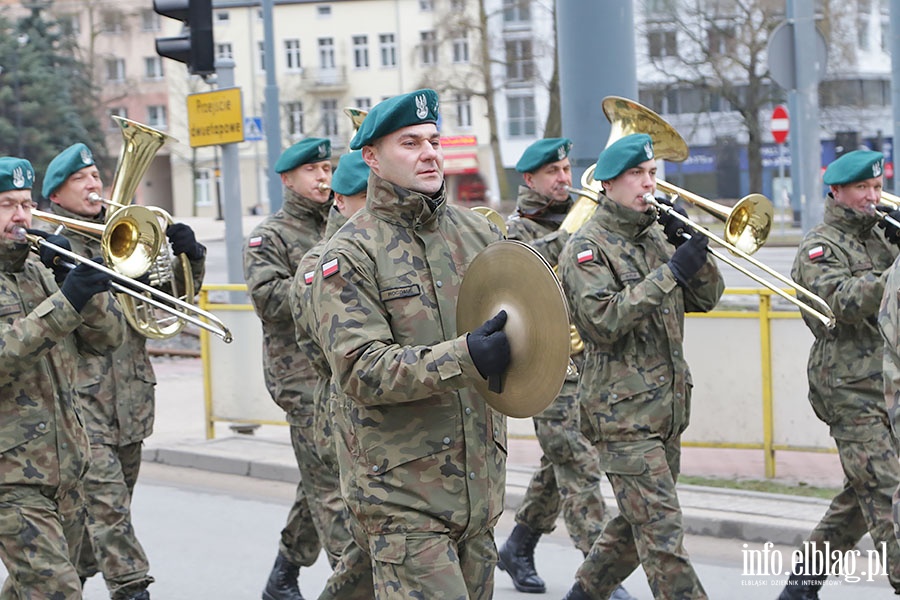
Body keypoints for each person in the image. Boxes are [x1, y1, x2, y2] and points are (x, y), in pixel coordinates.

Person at [309, 88, 510, 599]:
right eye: (410, 142)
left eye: (434, 140)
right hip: (402, 495)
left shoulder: (477, 235)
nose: (429, 152)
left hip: (479, 490)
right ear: (372, 158)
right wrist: (467, 356)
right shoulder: (349, 253)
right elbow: (359, 368)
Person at [557, 133, 724, 599]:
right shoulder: (587, 247)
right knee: (663, 537)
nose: (648, 184)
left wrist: (696, 253)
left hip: (665, 411)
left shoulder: (655, 234)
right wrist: (670, 272)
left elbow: (708, 300)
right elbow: (603, 321)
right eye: (636, 175)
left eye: (652, 174)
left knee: (635, 529)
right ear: (608, 184)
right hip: (621, 415)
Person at [40, 142, 207, 600]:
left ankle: (35, 590)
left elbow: (167, 301)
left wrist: (189, 258)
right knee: (110, 517)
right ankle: (133, 590)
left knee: (90, 534)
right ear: (56, 196)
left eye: (96, 175)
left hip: (131, 401)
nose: (94, 185)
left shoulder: (131, 235)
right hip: (80, 407)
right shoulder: (51, 253)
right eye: (81, 179)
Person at [499, 137, 634, 600]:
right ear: (529, 181)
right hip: (546, 368)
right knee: (578, 465)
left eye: (565, 169)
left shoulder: (586, 219)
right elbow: (530, 269)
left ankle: (518, 546)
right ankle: (599, 577)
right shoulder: (514, 231)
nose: (564, 179)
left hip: (591, 364)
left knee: (559, 462)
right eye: (552, 172)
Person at [0, 156, 125, 599]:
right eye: (7, 205)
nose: (20, 217)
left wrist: (79, 288)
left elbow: (107, 340)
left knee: (27, 591)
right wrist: (64, 302)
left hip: (68, 468)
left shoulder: (38, 269)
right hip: (12, 476)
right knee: (58, 592)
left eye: (26, 204)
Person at [780, 149, 900, 599]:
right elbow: (841, 302)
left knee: (861, 494)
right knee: (888, 495)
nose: (873, 196)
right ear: (837, 192)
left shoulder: (886, 235)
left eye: (876, 186)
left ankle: (800, 586)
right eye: (862, 189)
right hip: (849, 388)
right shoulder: (820, 246)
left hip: (890, 383)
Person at [242, 137, 334, 600]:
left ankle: (284, 573)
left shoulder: (340, 224)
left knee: (320, 478)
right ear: (287, 179)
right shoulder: (270, 236)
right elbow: (268, 299)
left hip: (341, 371)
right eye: (313, 170)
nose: (324, 178)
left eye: (327, 168)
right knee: (334, 486)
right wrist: (325, 281)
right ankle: (355, 581)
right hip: (300, 378)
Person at [287, 150, 371, 593]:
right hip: (341, 415)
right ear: (341, 202)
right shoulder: (322, 262)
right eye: (364, 197)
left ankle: (283, 572)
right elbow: (329, 353)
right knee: (349, 535)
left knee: (367, 550)